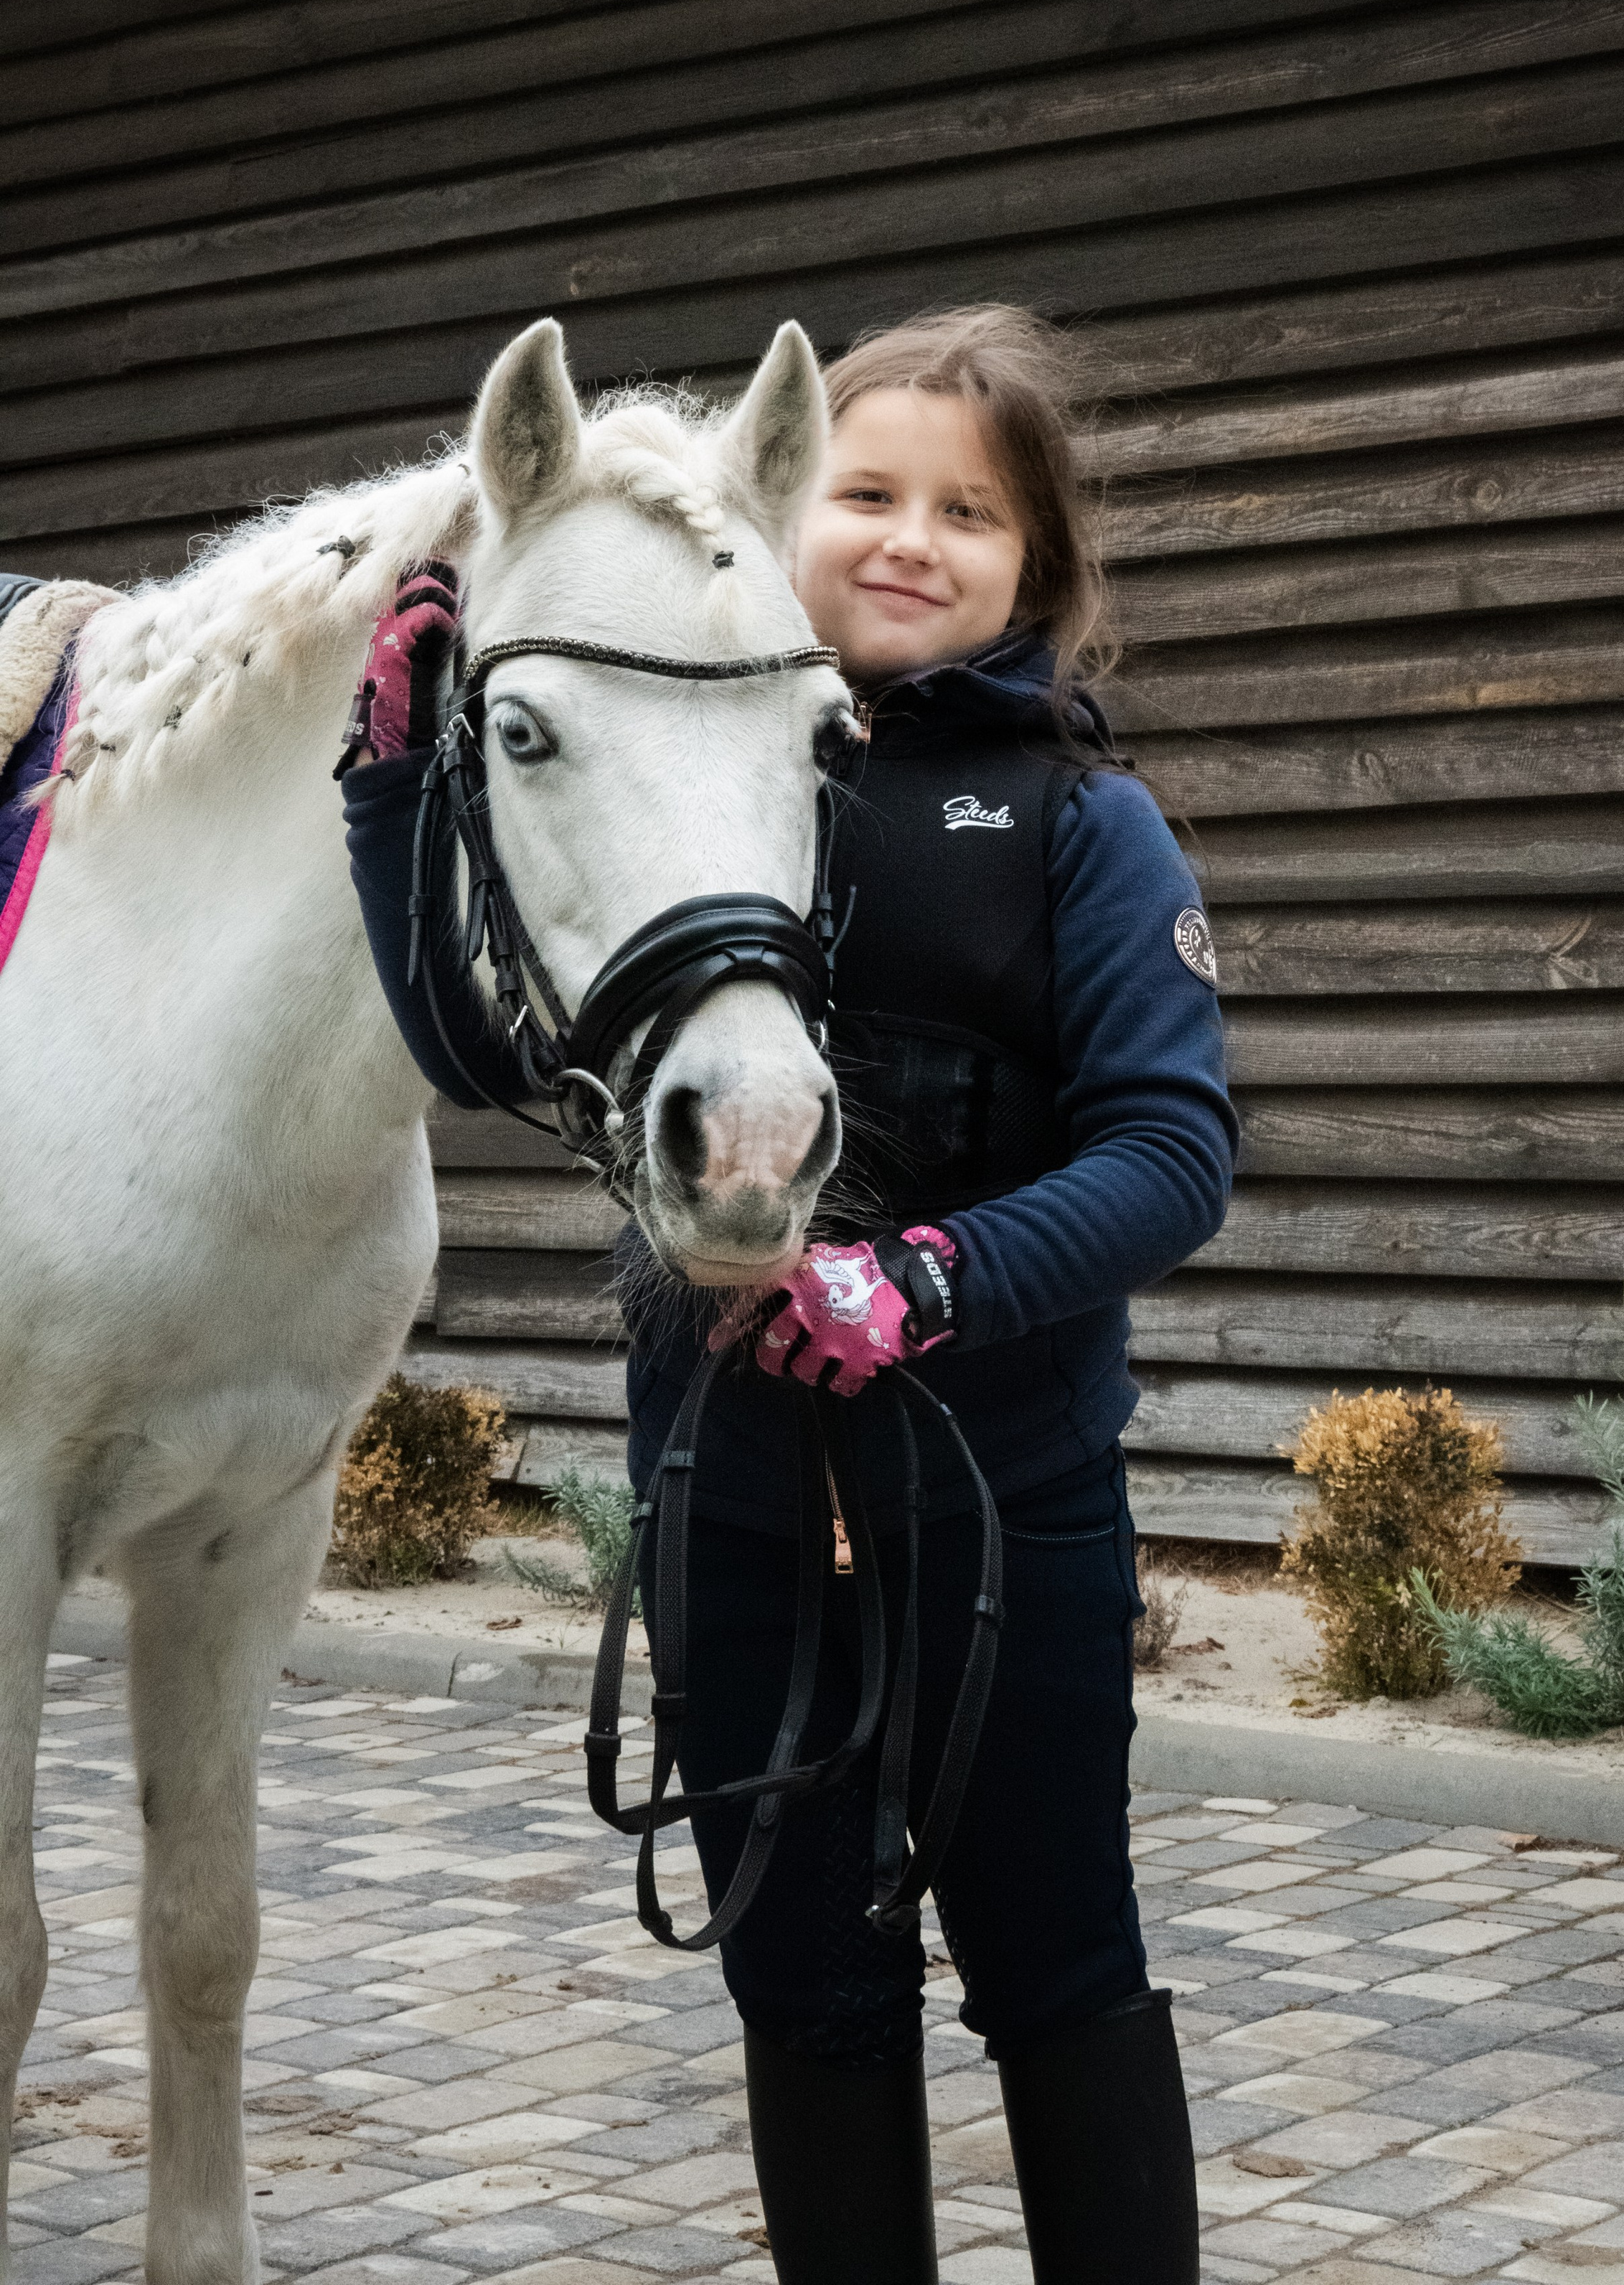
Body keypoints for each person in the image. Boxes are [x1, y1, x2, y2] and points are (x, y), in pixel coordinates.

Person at [341, 306, 1236, 2285]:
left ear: (1037, 564)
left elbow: (1174, 1155)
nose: (912, 539)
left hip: (1007, 1511)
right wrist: (393, 786)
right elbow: (484, 1055)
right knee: (807, 1989)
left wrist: (927, 1278)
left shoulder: (1080, 826)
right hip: (732, 1505)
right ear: (781, 512)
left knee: (1061, 1966)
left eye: (971, 514)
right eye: (869, 491)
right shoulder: (702, 774)